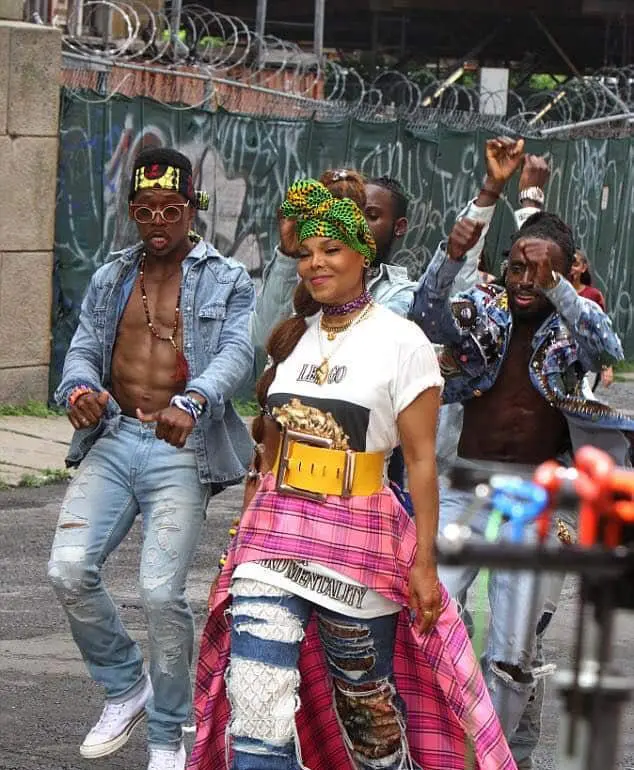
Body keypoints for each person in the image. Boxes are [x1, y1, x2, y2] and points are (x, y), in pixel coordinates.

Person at [189, 177, 517, 770]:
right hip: (274, 537)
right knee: (255, 705)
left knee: (369, 720)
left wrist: (424, 564)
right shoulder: (293, 339)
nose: (316, 263)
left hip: (359, 539)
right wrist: (244, 526)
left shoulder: (402, 341)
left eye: (331, 250)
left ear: (363, 255)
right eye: (307, 252)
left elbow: (421, 461)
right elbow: (270, 449)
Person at [47, 148, 256, 770]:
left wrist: (193, 400)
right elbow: (84, 347)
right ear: (132, 212)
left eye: (171, 208)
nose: (158, 221)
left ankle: (167, 734)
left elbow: (238, 353)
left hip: (180, 447)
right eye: (145, 210)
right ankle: (125, 686)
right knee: (67, 569)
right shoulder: (112, 276)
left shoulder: (228, 279)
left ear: (193, 207)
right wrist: (79, 391)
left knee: (161, 594)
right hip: (114, 438)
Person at [411, 190, 634, 765]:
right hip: (464, 491)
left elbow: (607, 347)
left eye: (541, 272)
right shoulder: (484, 310)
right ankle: (438, 740)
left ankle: (494, 755)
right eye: (517, 267)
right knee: (428, 613)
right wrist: (450, 256)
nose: (525, 280)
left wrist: (560, 288)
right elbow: (426, 314)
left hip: (533, 498)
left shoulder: (571, 329)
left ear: (564, 273)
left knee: (513, 651)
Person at [570, 249, 614, 389]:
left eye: (575, 264)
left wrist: (607, 366)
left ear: (583, 268)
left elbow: (603, 332)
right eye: (568, 264)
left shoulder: (593, 296)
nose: (571, 268)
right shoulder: (554, 293)